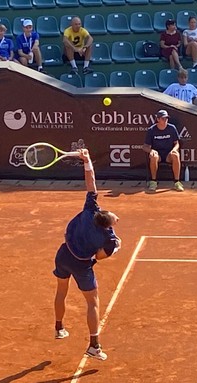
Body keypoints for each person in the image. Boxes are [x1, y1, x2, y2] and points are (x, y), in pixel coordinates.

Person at [53, 148, 121, 362]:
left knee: (61, 290)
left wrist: (87, 159)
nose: (116, 218)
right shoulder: (109, 239)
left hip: (63, 255)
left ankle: (59, 327)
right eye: (115, 218)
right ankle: (94, 345)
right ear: (108, 223)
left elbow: (90, 180)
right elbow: (99, 257)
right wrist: (116, 248)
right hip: (82, 265)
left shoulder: (91, 209)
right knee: (92, 302)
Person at [143, 110, 184, 193]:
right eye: (163, 118)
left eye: (166, 118)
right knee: (153, 156)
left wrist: (174, 150)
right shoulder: (151, 130)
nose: (165, 120)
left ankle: (177, 182)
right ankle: (153, 182)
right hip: (158, 155)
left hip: (169, 154)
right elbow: (145, 147)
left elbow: (177, 143)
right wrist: (151, 150)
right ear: (158, 119)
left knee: (176, 155)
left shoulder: (172, 128)